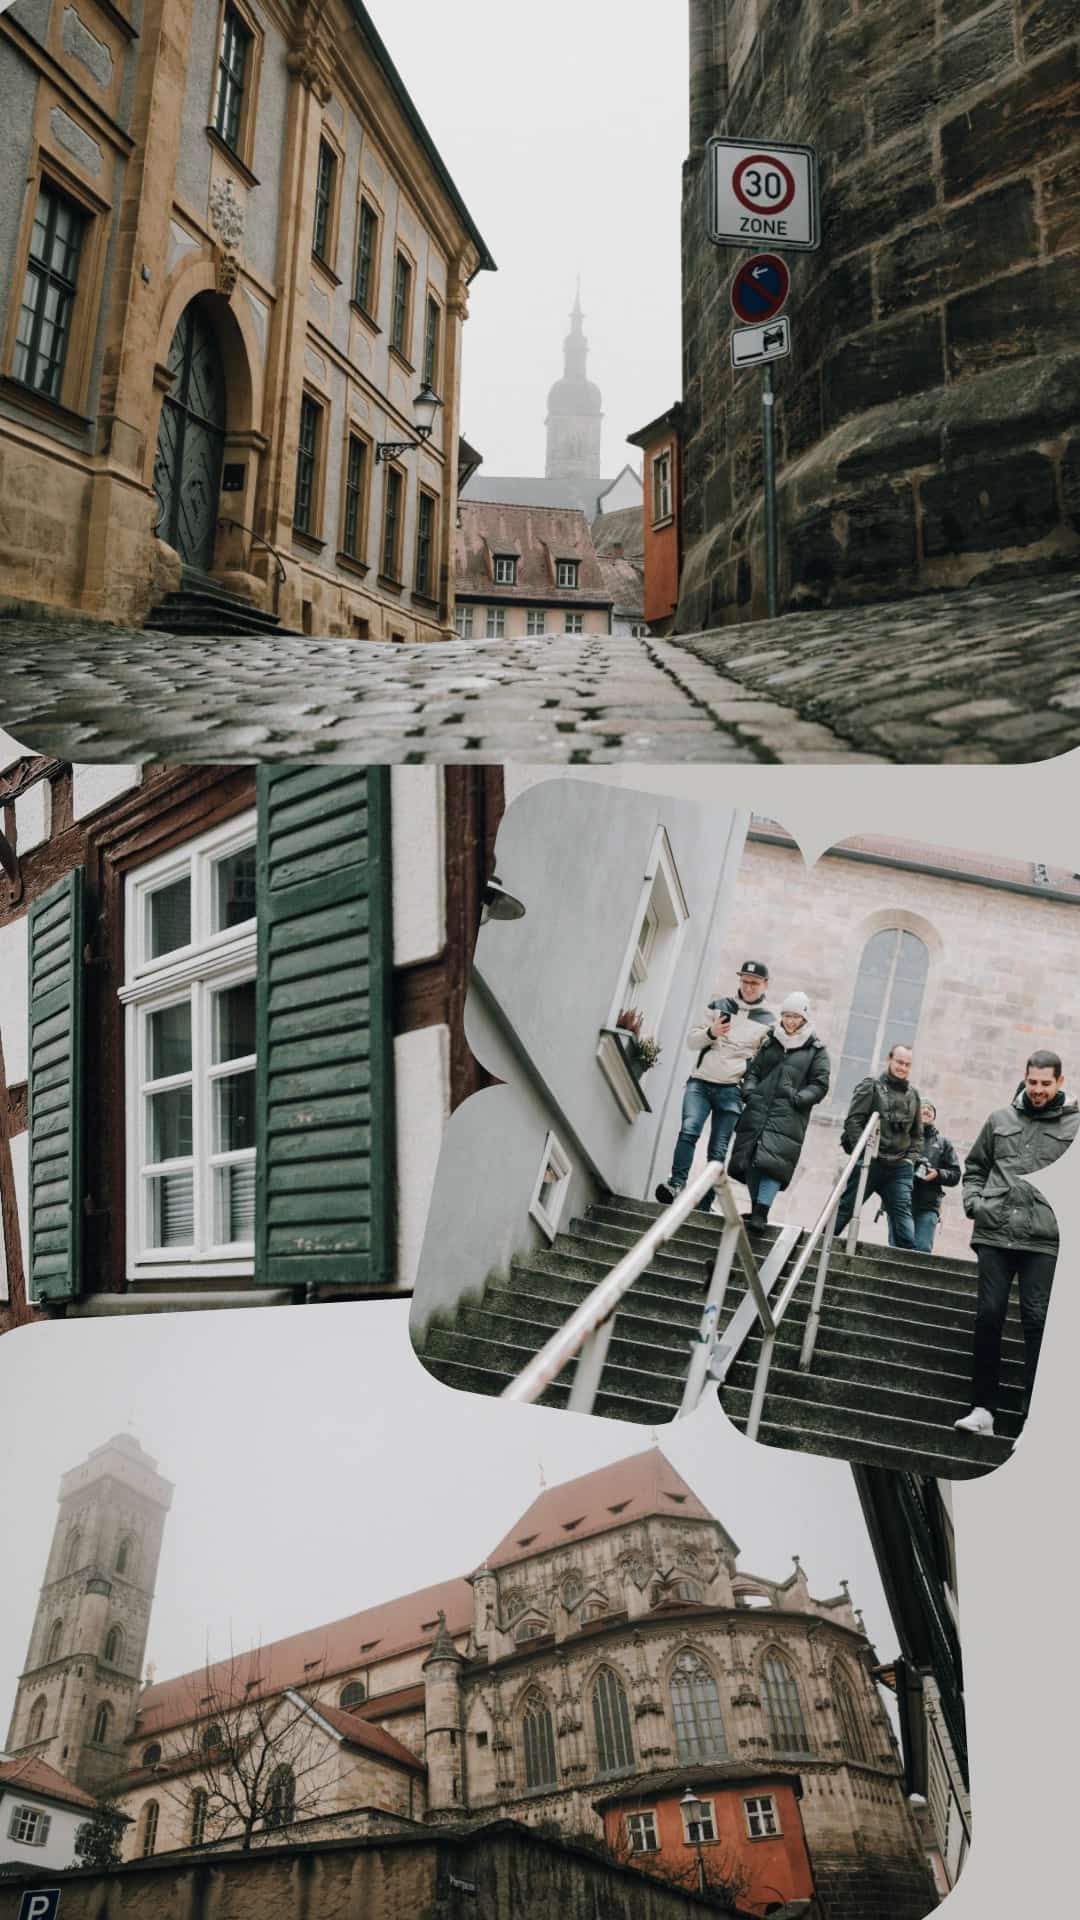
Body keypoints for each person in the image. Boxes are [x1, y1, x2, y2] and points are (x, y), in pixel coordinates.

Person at [954, 1051, 1078, 1440]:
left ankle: (1033, 1418)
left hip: (1043, 1239)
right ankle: (983, 1410)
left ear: (1059, 1082)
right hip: (995, 1232)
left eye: (1045, 1083)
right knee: (988, 1315)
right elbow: (974, 1167)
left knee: (1038, 1321)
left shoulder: (1075, 1125)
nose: (1038, 1090)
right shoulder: (999, 1119)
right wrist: (976, 1204)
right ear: (1024, 1079)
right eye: (1032, 1082)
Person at [655, 960, 773, 1212]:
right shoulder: (719, 1005)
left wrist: (748, 1085)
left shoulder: (768, 1021)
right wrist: (712, 1031)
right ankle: (676, 1183)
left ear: (765, 985)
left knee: (718, 1149)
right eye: (744, 981)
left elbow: (764, 1063)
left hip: (732, 1090)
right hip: (701, 1082)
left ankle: (706, 1201)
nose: (749, 987)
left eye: (754, 983)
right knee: (689, 1130)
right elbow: (691, 1041)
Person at [729, 992, 831, 1230]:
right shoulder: (771, 1043)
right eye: (786, 1015)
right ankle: (755, 1211)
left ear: (804, 1018)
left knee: (773, 1163)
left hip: (789, 1115)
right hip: (758, 1109)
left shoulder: (816, 1050)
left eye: (796, 1016)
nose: (790, 1021)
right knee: (753, 1159)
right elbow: (753, 1071)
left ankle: (761, 1213)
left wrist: (799, 1099)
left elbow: (820, 1083)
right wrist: (749, 1092)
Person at [835, 1044, 924, 1249]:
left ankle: (906, 1267)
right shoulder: (871, 1086)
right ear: (889, 1060)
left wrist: (910, 1160)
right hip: (870, 1161)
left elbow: (918, 1134)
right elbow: (853, 1122)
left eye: (907, 1065)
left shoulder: (914, 1095)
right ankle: (818, 1248)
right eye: (899, 1062)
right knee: (845, 1209)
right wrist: (865, 1149)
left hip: (899, 1166)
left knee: (903, 1222)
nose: (903, 1067)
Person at [891, 1101, 961, 1253]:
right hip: (899, 1202)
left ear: (934, 1116)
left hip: (928, 1204)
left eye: (930, 1109)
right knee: (897, 1250)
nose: (926, 1110)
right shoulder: (901, 1137)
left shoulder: (943, 1143)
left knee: (922, 1249)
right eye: (922, 1107)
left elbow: (955, 1174)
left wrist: (938, 1174)